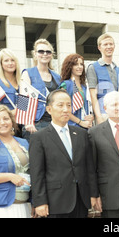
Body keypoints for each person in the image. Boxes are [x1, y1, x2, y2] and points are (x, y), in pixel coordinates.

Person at [29, 89, 97, 218]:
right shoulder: (39, 137)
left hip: (80, 199)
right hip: (55, 202)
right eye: (60, 105)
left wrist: (93, 194)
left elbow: (89, 167)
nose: (65, 109)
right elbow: (37, 173)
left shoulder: (81, 134)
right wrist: (40, 202)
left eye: (69, 105)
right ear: (49, 109)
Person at [21, 39, 61, 140]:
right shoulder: (27, 73)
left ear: (51, 55)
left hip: (54, 123)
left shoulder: (57, 77)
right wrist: (27, 122)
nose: (45, 54)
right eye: (41, 51)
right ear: (35, 54)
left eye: (48, 52)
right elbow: (23, 100)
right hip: (35, 123)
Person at [86, 33, 119, 125]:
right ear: (99, 47)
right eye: (105, 44)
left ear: (114, 46)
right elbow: (93, 96)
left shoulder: (117, 69)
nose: (109, 47)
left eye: (111, 44)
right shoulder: (93, 67)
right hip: (103, 114)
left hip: (117, 114)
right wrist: (99, 117)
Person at [59, 53, 94, 129]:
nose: (79, 67)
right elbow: (63, 109)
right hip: (72, 126)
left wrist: (91, 117)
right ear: (70, 67)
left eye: (81, 64)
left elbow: (89, 106)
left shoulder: (85, 86)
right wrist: (80, 122)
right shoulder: (65, 85)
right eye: (76, 64)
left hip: (86, 127)